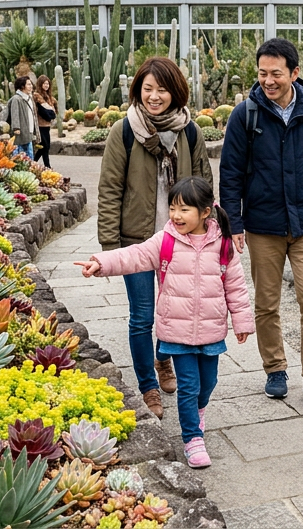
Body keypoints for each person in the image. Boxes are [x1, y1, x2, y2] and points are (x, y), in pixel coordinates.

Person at [77, 176, 253, 469]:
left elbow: (235, 285)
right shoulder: (166, 240)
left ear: (205, 212)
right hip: (177, 330)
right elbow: (134, 256)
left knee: (207, 384)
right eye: (173, 208)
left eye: (184, 209)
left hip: (211, 331)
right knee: (188, 385)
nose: (176, 215)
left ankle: (198, 410)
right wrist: (101, 262)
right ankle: (192, 439)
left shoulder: (222, 245)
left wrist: (243, 321)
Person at [220, 38, 303, 406]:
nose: (268, 81)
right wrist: (235, 222)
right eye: (262, 74)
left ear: (294, 73)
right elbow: (230, 173)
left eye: (276, 74)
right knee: (267, 303)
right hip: (263, 225)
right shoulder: (246, 114)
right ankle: (275, 368)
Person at [97, 57, 212, 418]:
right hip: (136, 239)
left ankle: (163, 358)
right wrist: (110, 246)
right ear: (138, 91)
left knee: (173, 311)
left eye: (161, 89)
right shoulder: (125, 130)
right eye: (147, 89)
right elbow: (110, 188)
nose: (154, 96)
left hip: (180, 240)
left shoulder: (189, 132)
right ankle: (148, 385)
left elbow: (204, 186)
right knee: (142, 316)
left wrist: (209, 232)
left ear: (175, 91)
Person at [5, 77, 38, 159]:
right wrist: (16, 128)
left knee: (28, 155)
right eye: (29, 84)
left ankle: (30, 168)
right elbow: (14, 113)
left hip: (28, 131)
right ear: (22, 86)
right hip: (20, 132)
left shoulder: (28, 98)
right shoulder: (17, 99)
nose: (31, 86)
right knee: (19, 154)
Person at [34, 75, 58, 168]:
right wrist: (50, 114)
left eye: (48, 83)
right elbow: (45, 111)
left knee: (44, 146)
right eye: (44, 83)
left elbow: (53, 112)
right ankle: (47, 166)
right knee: (45, 146)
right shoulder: (37, 96)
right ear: (40, 84)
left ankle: (33, 162)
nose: (46, 85)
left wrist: (51, 114)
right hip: (40, 125)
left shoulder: (49, 97)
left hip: (47, 125)